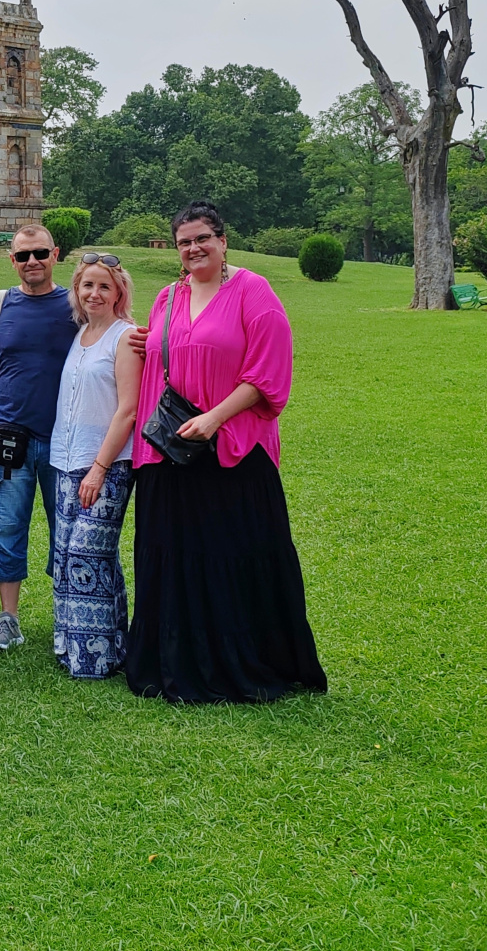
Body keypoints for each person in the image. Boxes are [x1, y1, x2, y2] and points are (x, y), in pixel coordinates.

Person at [126, 201, 327, 703]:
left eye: (202, 239)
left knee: (232, 555)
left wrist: (215, 418)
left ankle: (244, 663)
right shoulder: (168, 297)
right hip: (172, 450)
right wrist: (147, 344)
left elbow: (269, 372)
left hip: (233, 450)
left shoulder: (253, 291)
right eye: (184, 242)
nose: (194, 248)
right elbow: (167, 355)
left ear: (222, 241)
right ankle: (175, 660)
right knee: (175, 559)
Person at [0, 223, 75, 651]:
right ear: (12, 260)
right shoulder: (0, 305)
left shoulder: (76, 305)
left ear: (55, 255)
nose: (32, 262)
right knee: (5, 525)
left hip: (66, 439)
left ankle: (68, 613)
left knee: (67, 529)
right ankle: (9, 619)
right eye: (23, 255)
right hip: (11, 437)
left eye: (40, 253)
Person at [48, 252, 141, 679]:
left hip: (107, 465)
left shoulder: (125, 337)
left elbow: (128, 409)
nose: (95, 293)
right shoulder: (82, 333)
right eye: (88, 285)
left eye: (105, 286)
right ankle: (78, 646)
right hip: (66, 461)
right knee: (66, 554)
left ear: (119, 292)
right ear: (77, 290)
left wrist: (100, 468)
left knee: (88, 554)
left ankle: (95, 658)